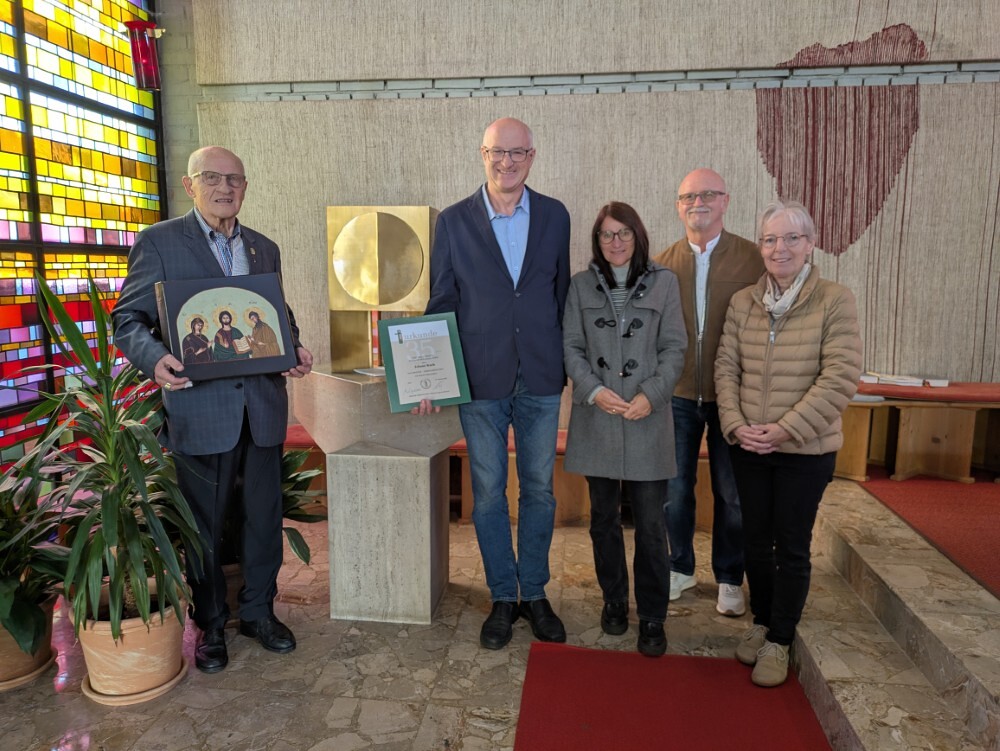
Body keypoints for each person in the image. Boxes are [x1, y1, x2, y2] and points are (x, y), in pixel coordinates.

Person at [112, 146, 313, 675]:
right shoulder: (159, 242)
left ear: (245, 187)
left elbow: (276, 314)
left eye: (235, 179)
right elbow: (127, 320)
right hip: (200, 410)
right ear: (190, 185)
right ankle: (210, 626)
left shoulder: (263, 248)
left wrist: (293, 347)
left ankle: (259, 615)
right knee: (203, 525)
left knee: (263, 519)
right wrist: (154, 359)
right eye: (213, 178)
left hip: (262, 408)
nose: (225, 187)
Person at [419, 117, 570, 650]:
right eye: (497, 152)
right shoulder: (454, 221)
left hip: (541, 375)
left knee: (540, 491)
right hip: (480, 377)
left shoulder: (555, 215)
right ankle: (503, 596)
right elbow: (442, 300)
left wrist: (566, 363)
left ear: (532, 156)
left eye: (517, 153)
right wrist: (428, 373)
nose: (507, 162)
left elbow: (559, 296)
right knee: (487, 495)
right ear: (482, 154)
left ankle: (536, 593)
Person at [714, 200, 861, 687]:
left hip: (805, 449)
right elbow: (726, 368)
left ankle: (780, 639)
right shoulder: (744, 302)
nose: (780, 248)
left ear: (810, 244)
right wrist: (736, 425)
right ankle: (762, 621)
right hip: (749, 446)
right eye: (770, 239)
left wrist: (785, 429)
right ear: (761, 247)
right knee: (755, 541)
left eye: (792, 238)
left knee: (791, 546)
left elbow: (840, 376)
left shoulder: (835, 300)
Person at [562, 202, 686, 657]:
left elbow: (674, 348)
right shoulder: (580, 285)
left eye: (624, 233)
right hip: (598, 416)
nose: (615, 242)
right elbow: (571, 346)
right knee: (603, 520)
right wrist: (594, 390)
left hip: (646, 417)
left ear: (638, 236)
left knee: (651, 524)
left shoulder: (665, 282)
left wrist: (651, 395)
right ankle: (613, 600)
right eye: (607, 235)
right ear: (597, 241)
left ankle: (652, 615)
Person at [653, 168, 764, 617]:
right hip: (678, 394)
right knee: (675, 489)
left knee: (732, 492)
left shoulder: (753, 259)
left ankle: (729, 577)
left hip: (732, 396)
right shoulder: (661, 263)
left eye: (707, 195)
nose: (697, 203)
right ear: (678, 206)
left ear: (725, 201)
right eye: (688, 197)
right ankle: (679, 566)